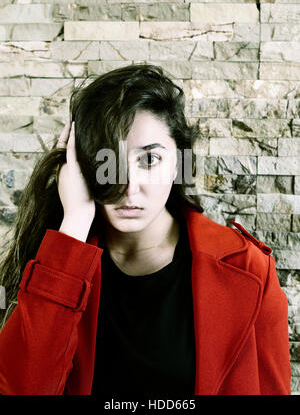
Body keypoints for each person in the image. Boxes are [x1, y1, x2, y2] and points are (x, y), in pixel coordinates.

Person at [0, 63, 291, 395]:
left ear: (179, 162)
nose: (128, 185)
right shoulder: (53, 260)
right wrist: (75, 223)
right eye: (107, 161)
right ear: (80, 165)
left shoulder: (247, 267)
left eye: (149, 160)